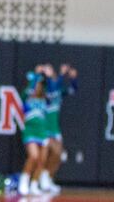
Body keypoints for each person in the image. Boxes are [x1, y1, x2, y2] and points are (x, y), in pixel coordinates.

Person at [40, 63, 78, 194]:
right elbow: (52, 86)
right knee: (47, 154)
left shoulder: (59, 92)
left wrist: (73, 78)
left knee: (59, 155)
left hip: (55, 127)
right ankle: (41, 178)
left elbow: (73, 89)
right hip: (45, 126)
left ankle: (47, 177)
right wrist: (61, 74)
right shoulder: (46, 88)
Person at [18, 65, 50, 196]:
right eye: (36, 85)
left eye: (40, 85)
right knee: (34, 156)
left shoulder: (45, 99)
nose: (38, 86)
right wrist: (36, 76)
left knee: (42, 160)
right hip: (30, 131)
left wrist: (46, 75)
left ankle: (34, 184)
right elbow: (27, 91)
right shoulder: (27, 97)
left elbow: (52, 87)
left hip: (42, 132)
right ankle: (24, 180)